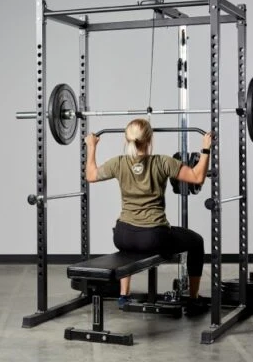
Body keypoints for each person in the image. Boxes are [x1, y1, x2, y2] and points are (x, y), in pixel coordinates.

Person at [85, 118, 212, 316]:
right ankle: (194, 300)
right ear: (150, 140)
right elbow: (197, 176)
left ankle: (124, 295)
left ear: (126, 140)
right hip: (153, 237)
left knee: (127, 249)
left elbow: (91, 175)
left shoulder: (118, 163)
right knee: (197, 242)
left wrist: (92, 146)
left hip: (123, 235)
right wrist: (205, 149)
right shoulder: (162, 162)